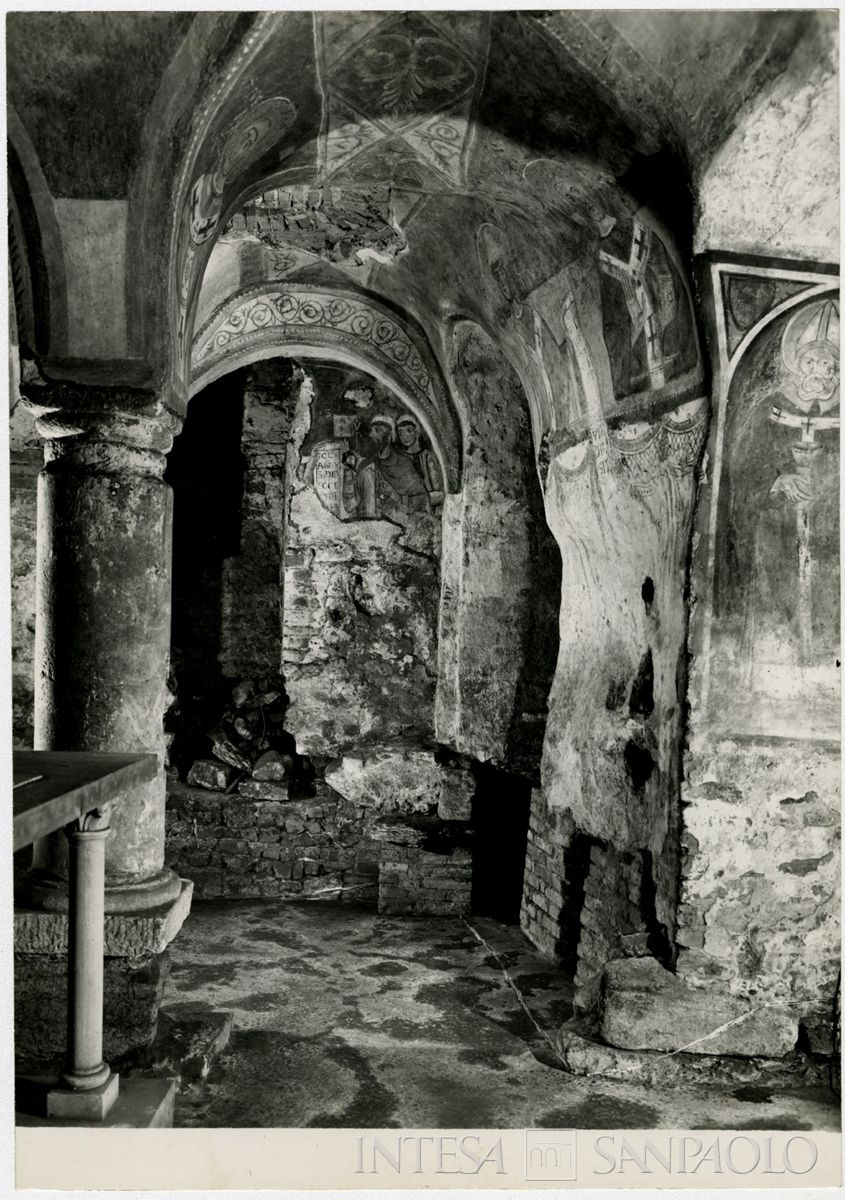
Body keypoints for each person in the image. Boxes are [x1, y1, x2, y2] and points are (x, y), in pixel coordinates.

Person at [395, 414, 444, 509]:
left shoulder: (427, 456)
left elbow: (438, 489)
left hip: (429, 505)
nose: (404, 436)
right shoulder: (401, 459)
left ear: (416, 432)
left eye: (408, 431)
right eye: (401, 433)